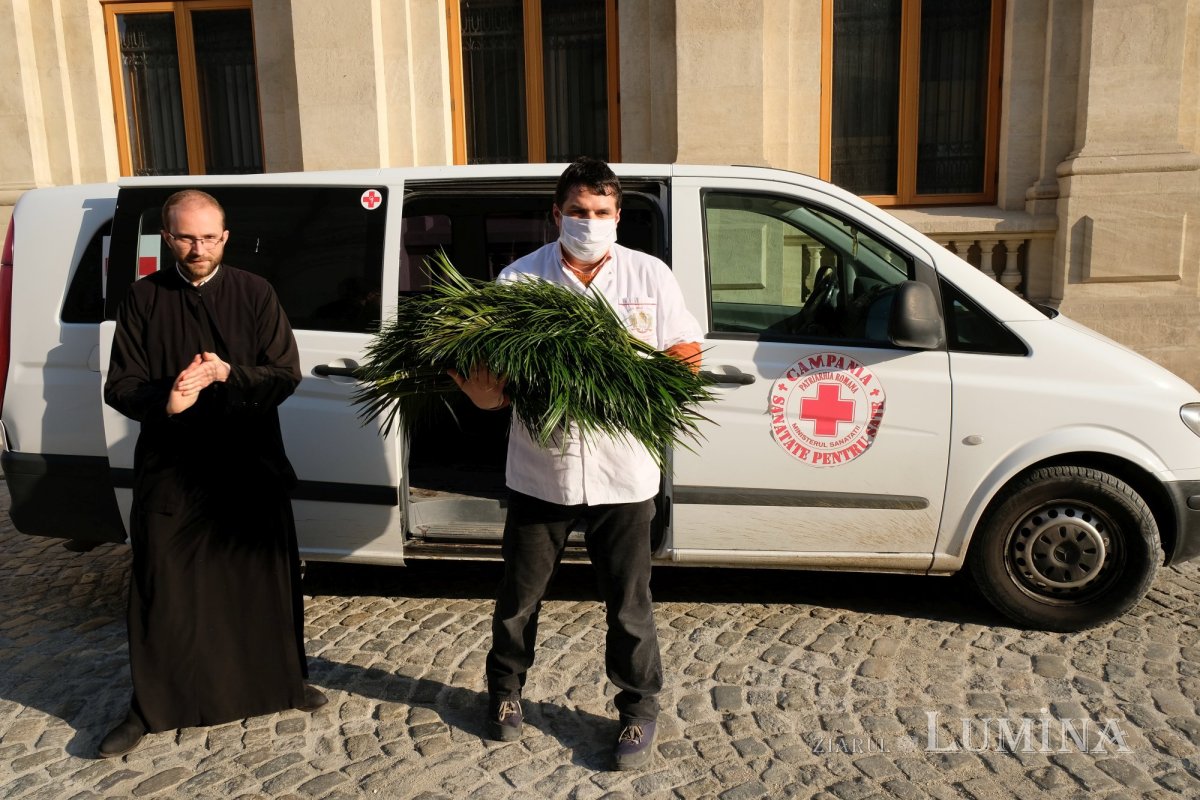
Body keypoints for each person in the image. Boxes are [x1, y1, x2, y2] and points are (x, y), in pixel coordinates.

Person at [451, 157, 703, 771]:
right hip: (544, 469)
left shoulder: (650, 276)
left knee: (629, 603)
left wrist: (629, 381)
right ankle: (505, 693)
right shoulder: (519, 282)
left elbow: (687, 356)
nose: (589, 223)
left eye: (601, 213)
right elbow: (495, 383)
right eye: (577, 213)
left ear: (618, 216)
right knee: (519, 597)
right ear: (555, 215)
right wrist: (482, 389)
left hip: (626, 470)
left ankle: (638, 710)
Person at [99, 189, 326, 758]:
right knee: (164, 587)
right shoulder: (142, 297)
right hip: (172, 466)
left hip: (249, 462)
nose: (197, 248)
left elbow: (284, 375)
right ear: (166, 239)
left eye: (207, 237)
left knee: (257, 581)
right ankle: (150, 708)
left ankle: (280, 685)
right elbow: (120, 384)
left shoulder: (255, 292)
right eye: (184, 237)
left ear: (225, 237)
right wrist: (169, 399)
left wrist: (231, 374)